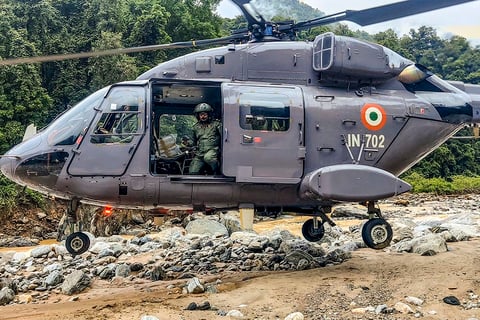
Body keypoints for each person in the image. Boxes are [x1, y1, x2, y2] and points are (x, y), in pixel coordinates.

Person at [189, 103, 222, 175]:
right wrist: (191, 148)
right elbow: (193, 141)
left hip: (213, 150)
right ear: (198, 116)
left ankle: (217, 170)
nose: (203, 116)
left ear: (209, 115)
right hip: (200, 152)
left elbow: (224, 137)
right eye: (201, 114)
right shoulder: (195, 127)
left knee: (208, 158)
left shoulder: (216, 124)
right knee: (192, 171)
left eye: (205, 114)